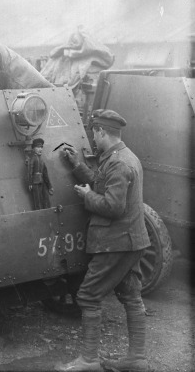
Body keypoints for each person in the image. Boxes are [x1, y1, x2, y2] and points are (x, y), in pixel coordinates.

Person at [55, 109, 151, 372]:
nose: (92, 139)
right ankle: (137, 359)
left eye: (93, 133)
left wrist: (87, 197)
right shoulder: (122, 156)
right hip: (132, 241)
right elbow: (102, 182)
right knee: (130, 294)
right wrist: (78, 167)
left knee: (88, 296)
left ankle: (88, 361)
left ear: (101, 132)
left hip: (116, 242)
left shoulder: (118, 163)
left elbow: (113, 206)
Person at [26, 138, 54, 210]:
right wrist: (30, 183)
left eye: (41, 147)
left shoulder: (42, 160)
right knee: (37, 202)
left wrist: (49, 186)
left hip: (43, 183)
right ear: (33, 149)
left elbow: (45, 174)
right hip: (35, 183)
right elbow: (30, 172)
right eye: (38, 147)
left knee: (46, 200)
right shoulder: (32, 159)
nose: (40, 149)